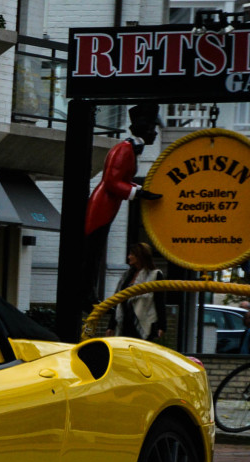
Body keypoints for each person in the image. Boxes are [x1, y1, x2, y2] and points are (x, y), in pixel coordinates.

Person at [84, 103, 162, 308]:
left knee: (96, 251)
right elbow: (111, 181)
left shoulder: (128, 149)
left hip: (108, 205)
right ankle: (86, 295)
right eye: (153, 128)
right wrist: (139, 192)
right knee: (93, 252)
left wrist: (140, 189)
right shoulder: (124, 149)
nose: (155, 133)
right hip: (102, 206)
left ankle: (88, 294)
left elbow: (120, 179)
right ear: (144, 128)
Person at [107, 242, 164, 340]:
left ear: (140, 256)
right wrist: (111, 326)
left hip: (143, 322)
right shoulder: (126, 276)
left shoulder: (155, 275)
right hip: (124, 323)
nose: (129, 257)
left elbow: (159, 301)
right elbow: (117, 301)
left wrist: (162, 326)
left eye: (132, 254)